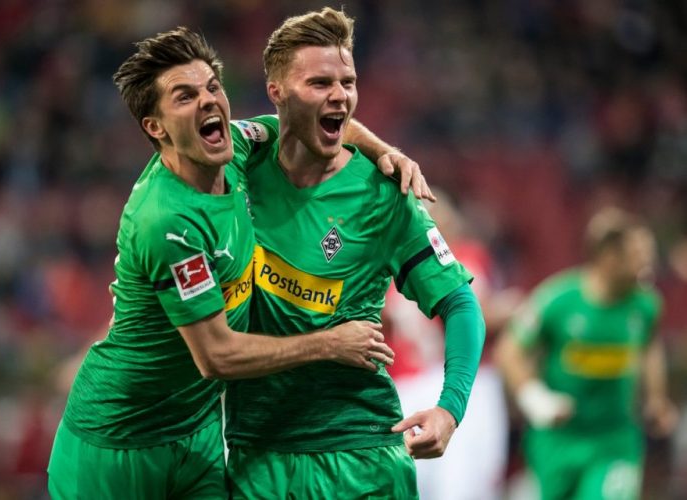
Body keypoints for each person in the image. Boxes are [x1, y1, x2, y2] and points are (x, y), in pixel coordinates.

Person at [46, 26, 413, 499]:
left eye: (212, 88)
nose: (208, 101)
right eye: (185, 96)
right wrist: (329, 343)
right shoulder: (168, 221)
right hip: (118, 444)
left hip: (197, 436)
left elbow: (303, 119)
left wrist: (385, 152)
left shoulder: (235, 148)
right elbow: (217, 356)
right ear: (155, 127)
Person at [224, 8, 485, 499]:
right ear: (276, 91)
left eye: (348, 82)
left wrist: (450, 410)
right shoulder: (241, 166)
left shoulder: (384, 194)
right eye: (320, 82)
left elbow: (460, 304)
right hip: (257, 456)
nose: (340, 95)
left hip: (360, 456)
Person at [494, 206, 679, 500]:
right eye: (638, 254)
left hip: (614, 440)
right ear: (608, 256)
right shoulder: (557, 299)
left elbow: (649, 345)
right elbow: (509, 350)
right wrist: (535, 398)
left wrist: (656, 397)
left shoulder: (646, 305)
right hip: (558, 440)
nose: (648, 264)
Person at [386, 189, 523, 499]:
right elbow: (473, 312)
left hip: (405, 387)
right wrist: (512, 308)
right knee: (463, 487)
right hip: (454, 386)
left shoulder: (387, 266)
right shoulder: (462, 254)